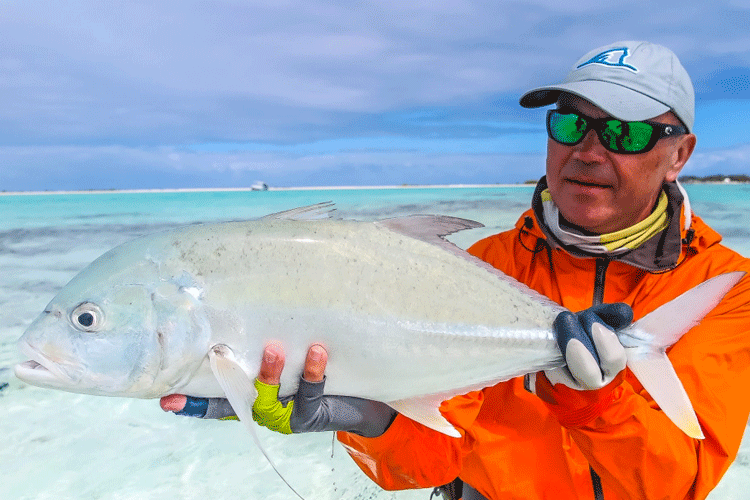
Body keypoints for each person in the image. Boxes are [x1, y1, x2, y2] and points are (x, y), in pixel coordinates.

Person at [161, 41, 750, 500]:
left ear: (679, 155)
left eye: (624, 131)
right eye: (571, 124)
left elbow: (679, 485)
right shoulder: (482, 266)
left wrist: (601, 402)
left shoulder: (725, 288)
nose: (589, 151)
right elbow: (434, 459)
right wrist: (367, 418)